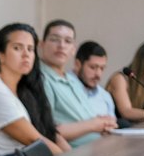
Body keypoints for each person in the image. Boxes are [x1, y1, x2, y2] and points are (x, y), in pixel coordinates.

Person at [0, 23, 70, 156]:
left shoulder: (23, 88)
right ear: (1, 54)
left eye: (30, 49)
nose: (26, 54)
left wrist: (71, 155)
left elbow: (48, 131)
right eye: (17, 48)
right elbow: (33, 140)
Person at [38, 20, 117, 148]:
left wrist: (103, 123)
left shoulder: (72, 79)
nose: (61, 45)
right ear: (41, 45)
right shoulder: (41, 79)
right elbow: (48, 132)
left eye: (68, 41)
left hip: (98, 148)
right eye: (54, 39)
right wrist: (93, 125)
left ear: (73, 50)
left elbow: (86, 119)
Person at [74, 41, 118, 120]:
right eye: (93, 67)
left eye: (102, 68)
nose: (98, 74)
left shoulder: (105, 96)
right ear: (78, 65)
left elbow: (112, 124)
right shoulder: (64, 89)